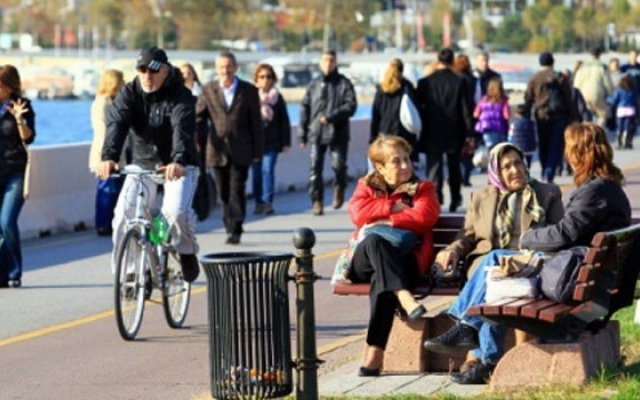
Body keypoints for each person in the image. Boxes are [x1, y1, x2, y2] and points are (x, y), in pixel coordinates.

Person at [424, 123, 631, 384]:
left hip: (572, 279)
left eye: (518, 163)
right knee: (496, 266)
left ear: (580, 153)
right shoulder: (603, 188)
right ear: (495, 172)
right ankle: (473, 338)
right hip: (587, 277)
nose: (566, 155)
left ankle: (472, 337)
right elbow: (467, 236)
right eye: (506, 166)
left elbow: (562, 234)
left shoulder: (589, 191)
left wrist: (526, 240)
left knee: (496, 265)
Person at [97, 46, 201, 282]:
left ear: (165, 70)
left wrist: (178, 159)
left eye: (153, 71)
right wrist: (109, 157)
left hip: (178, 165)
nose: (147, 76)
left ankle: (185, 252)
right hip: (142, 164)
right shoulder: (129, 92)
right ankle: (132, 273)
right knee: (123, 216)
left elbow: (182, 128)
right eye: (142, 70)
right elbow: (117, 124)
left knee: (175, 213)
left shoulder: (180, 94)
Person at [347, 135, 440, 376]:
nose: (405, 166)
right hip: (364, 261)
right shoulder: (366, 185)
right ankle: (405, 297)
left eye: (407, 159)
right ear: (380, 167)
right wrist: (391, 207)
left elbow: (424, 218)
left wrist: (383, 220)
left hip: (407, 261)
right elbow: (357, 213)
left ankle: (374, 353)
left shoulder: (422, 188)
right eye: (396, 162)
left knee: (384, 278)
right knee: (376, 243)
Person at [196, 51, 264, 245]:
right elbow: (199, 118)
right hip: (216, 150)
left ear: (235, 68)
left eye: (228, 66)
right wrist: (195, 141)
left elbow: (256, 124)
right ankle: (229, 223)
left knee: (237, 189)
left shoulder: (248, 91)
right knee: (223, 191)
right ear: (217, 69)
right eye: (221, 67)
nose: (225, 70)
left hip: (241, 149)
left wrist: (257, 151)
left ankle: (235, 228)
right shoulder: (208, 90)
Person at [299, 50, 357, 216]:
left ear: (336, 62)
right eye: (325, 60)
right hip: (316, 133)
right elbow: (305, 109)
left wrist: (332, 117)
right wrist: (302, 133)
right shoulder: (314, 85)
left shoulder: (344, 83)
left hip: (338, 133)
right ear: (320, 62)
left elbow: (351, 106)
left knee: (338, 166)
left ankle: (340, 187)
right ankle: (317, 201)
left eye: (331, 60)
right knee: (314, 169)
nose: (328, 64)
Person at [416, 48, 474, 212]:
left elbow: (417, 107)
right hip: (455, 130)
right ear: (452, 60)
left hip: (431, 130)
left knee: (434, 167)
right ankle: (455, 198)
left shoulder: (425, 82)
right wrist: (470, 132)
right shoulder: (459, 81)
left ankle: (436, 197)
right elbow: (465, 109)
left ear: (438, 60)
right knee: (454, 166)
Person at [0, 65, 35, 289]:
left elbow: (29, 138)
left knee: (7, 221)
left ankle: (14, 272)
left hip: (16, 171)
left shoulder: (22, 106)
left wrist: (20, 120)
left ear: (9, 86)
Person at [522, 51, 578, 183]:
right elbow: (569, 99)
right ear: (553, 62)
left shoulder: (534, 78)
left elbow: (528, 99)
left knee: (543, 145)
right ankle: (549, 173)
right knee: (556, 145)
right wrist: (574, 117)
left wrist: (525, 115)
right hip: (560, 116)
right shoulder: (560, 77)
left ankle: (544, 171)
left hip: (542, 116)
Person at [88, 69, 126, 237]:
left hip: (117, 151)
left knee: (116, 188)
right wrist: (108, 156)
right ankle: (103, 223)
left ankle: (112, 221)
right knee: (107, 188)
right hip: (105, 153)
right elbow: (103, 130)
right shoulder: (102, 103)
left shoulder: (114, 101)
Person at [250, 63, 291, 216]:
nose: (266, 80)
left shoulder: (278, 98)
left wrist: (286, 142)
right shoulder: (251, 96)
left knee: (268, 170)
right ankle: (258, 202)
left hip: (272, 142)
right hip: (254, 142)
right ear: (257, 79)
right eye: (262, 77)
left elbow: (284, 121)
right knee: (256, 173)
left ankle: (267, 202)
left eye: (269, 76)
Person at [370, 58, 418, 163]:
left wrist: (373, 137)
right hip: (403, 133)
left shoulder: (381, 89)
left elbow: (376, 114)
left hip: (384, 132)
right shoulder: (407, 87)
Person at [452, 54, 478, 187]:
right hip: (470, 116)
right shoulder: (473, 79)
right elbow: (477, 98)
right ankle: (466, 176)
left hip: (455, 118)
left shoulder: (454, 79)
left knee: (457, 150)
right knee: (468, 149)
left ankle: (458, 175)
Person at [573, 47, 615, 127]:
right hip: (597, 94)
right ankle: (598, 131)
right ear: (600, 55)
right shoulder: (602, 67)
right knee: (603, 114)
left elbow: (576, 83)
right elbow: (608, 84)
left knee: (586, 115)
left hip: (583, 95)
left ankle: (587, 133)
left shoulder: (582, 67)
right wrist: (611, 94)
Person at [474, 77, 510, 150]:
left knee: (490, 149)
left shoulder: (484, 99)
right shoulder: (503, 100)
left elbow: (475, 114)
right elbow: (507, 116)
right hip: (500, 129)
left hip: (487, 129)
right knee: (499, 151)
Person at [607, 74, 639, 150]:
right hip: (630, 110)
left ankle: (620, 142)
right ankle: (627, 142)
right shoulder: (634, 90)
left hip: (621, 109)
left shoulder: (619, 89)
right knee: (627, 126)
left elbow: (614, 99)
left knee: (620, 126)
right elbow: (636, 100)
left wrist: (607, 100)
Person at [508, 104, 536, 169]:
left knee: (520, 160)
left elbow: (510, 136)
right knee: (528, 160)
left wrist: (510, 143)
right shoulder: (531, 123)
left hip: (518, 147)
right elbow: (535, 134)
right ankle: (528, 169)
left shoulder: (514, 124)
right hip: (529, 147)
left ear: (516, 114)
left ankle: (522, 170)